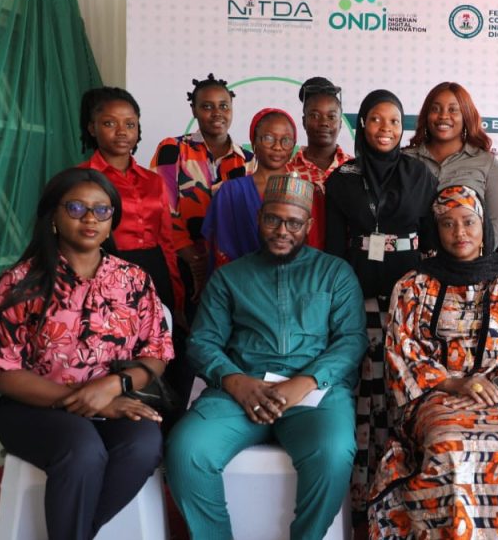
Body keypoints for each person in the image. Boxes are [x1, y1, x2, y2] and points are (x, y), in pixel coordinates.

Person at [0, 167, 173, 540]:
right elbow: (0, 372)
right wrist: (88, 402)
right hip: (34, 409)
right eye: (77, 208)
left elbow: (157, 352)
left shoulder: (133, 279)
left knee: (144, 444)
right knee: (82, 450)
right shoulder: (21, 282)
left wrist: (116, 386)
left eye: (102, 210)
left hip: (115, 399)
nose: (90, 219)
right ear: (53, 216)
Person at [166, 172, 367, 540]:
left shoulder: (335, 273)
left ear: (308, 225)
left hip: (314, 392)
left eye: (293, 222)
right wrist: (235, 380)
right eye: (273, 219)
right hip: (242, 389)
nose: (281, 230)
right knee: (186, 449)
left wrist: (304, 382)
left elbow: (351, 341)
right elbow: (203, 342)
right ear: (259, 218)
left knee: (333, 450)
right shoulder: (230, 277)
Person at [369, 185, 498, 538]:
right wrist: (455, 383)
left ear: (483, 225)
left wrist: (497, 385)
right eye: (448, 224)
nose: (460, 233)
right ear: (435, 230)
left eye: (468, 222)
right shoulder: (414, 285)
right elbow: (402, 348)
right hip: (435, 394)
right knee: (448, 445)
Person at [324, 89, 438, 524]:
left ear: (403, 127)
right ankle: (358, 494)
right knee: (361, 391)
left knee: (398, 387)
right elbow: (335, 248)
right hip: (356, 293)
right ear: (363, 125)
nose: (384, 129)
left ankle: (399, 491)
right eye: (375, 119)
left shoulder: (420, 175)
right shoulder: (342, 178)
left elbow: (430, 243)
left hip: (407, 299)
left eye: (393, 121)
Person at [78, 87, 183, 318]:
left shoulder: (153, 180)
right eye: (109, 123)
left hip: (156, 272)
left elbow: (166, 242)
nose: (121, 132)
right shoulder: (79, 179)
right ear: (92, 128)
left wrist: (177, 293)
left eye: (130, 124)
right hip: (103, 272)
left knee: (158, 345)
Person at [150, 73, 252, 300]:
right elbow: (162, 204)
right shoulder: (173, 148)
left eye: (223, 106)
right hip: (181, 259)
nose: (217, 113)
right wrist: (190, 254)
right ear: (194, 110)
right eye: (207, 106)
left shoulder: (247, 160)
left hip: (232, 265)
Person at [405, 81, 498, 247]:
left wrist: (474, 263)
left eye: (453, 110)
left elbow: (495, 224)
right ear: (426, 115)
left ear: (465, 116)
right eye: (435, 109)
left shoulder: (486, 163)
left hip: (466, 268)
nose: (443, 116)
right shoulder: (405, 160)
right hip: (412, 264)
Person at [202, 108, 302, 271]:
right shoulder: (230, 192)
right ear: (254, 142)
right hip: (241, 285)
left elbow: (314, 248)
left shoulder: (303, 191)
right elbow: (221, 250)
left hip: (294, 286)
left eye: (286, 140)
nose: (278, 147)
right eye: (268, 138)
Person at [287, 76, 351, 249]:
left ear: (340, 122)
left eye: (331, 116)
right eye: (315, 115)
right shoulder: (287, 170)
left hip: (346, 264)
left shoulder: (355, 169)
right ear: (303, 121)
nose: (323, 123)